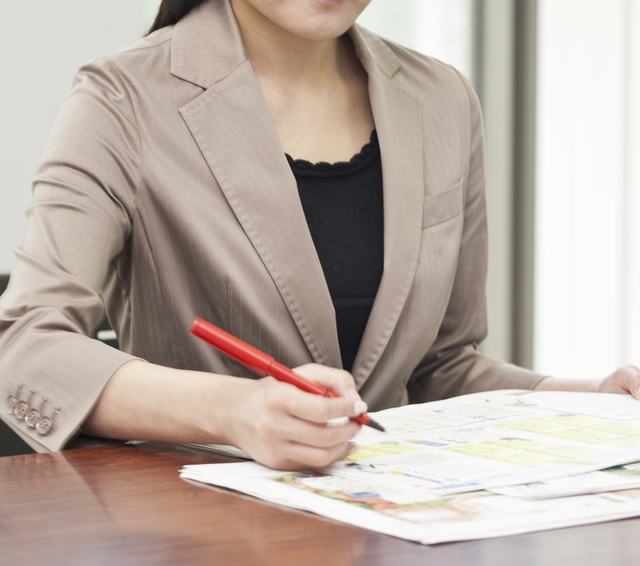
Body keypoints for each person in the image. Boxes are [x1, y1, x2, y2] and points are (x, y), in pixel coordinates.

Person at [1, 0, 639, 469]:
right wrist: (234, 412)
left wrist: (593, 400)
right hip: (197, 527)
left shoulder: (442, 99)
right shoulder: (122, 99)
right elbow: (25, 346)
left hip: (392, 527)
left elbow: (440, 368)